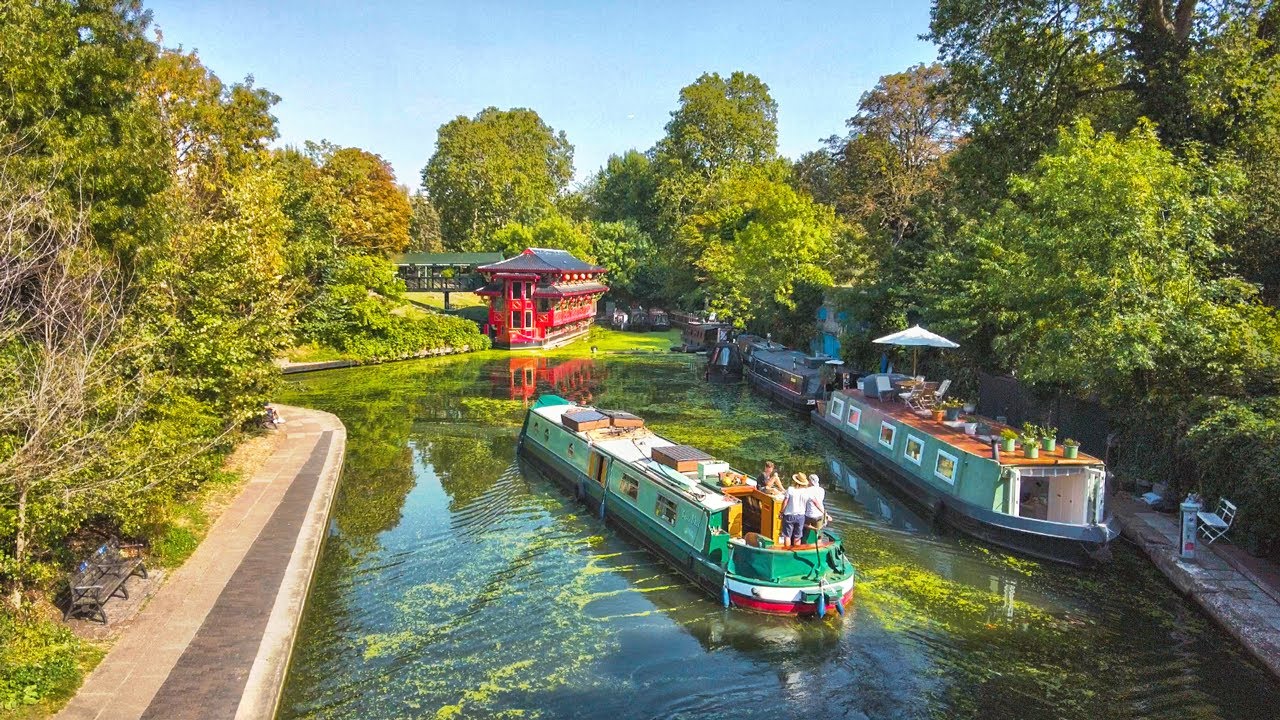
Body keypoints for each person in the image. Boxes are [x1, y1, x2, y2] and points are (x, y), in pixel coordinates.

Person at [781, 473, 811, 547]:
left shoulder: (790, 489)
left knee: (787, 535)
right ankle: (796, 551)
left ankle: (787, 552)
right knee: (797, 536)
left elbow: (785, 501)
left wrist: (781, 512)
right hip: (801, 516)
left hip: (789, 515)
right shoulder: (807, 492)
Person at [804, 474, 828, 538]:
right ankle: (819, 539)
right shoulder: (822, 490)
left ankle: (804, 541)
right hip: (819, 515)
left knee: (800, 523)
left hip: (809, 515)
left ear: (810, 481)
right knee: (819, 533)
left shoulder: (807, 490)